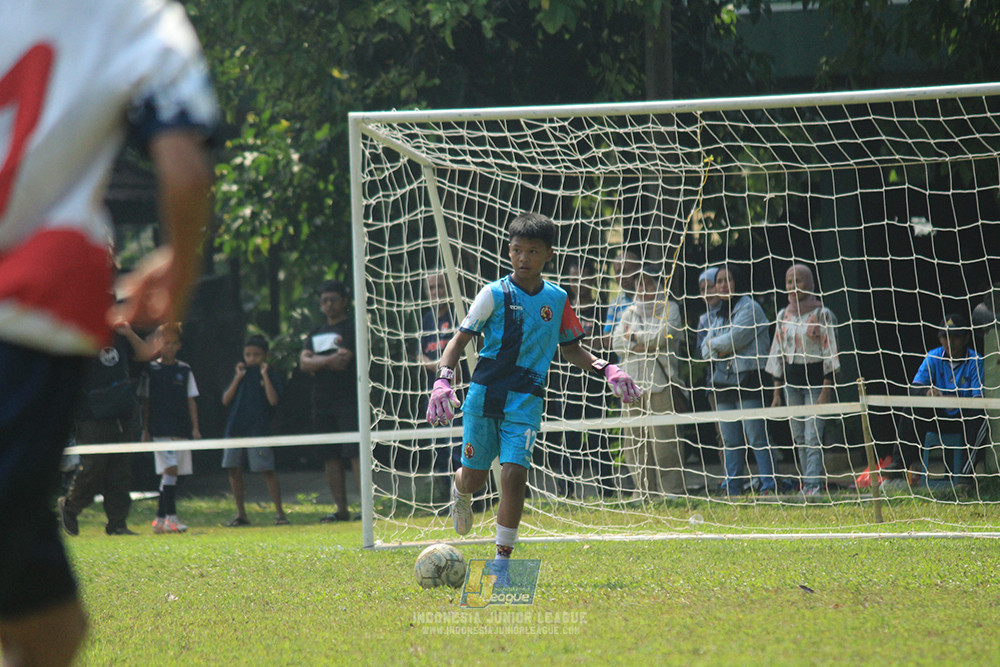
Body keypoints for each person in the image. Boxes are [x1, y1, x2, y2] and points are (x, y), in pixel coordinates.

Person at [0, 0, 217, 662]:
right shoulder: (138, 17)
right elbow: (184, 168)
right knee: (46, 623)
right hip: (32, 308)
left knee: (44, 614)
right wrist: (174, 283)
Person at [426, 212, 640, 570]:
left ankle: (502, 561)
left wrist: (607, 368)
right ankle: (460, 489)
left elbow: (571, 348)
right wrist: (443, 379)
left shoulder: (557, 299)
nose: (523, 258)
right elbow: (458, 339)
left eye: (532, 251)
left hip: (526, 400)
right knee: (476, 478)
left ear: (548, 255)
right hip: (484, 396)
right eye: (516, 250)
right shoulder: (493, 293)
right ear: (509, 252)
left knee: (513, 474)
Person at [59, 320, 158, 539]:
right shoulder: (79, 333)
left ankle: (117, 523)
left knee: (121, 470)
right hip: (92, 414)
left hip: (123, 411)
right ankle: (71, 506)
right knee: (94, 466)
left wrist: (129, 332)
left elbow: (145, 355)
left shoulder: (121, 334)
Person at [700, 264, 777, 495]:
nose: (723, 285)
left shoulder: (750, 308)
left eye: (728, 280)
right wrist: (719, 348)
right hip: (722, 382)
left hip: (748, 380)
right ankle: (733, 488)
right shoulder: (717, 313)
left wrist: (719, 347)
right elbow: (705, 351)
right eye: (719, 281)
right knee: (730, 440)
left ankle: (769, 486)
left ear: (737, 282)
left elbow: (733, 339)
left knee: (756, 436)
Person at [766, 264, 840, 496]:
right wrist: (777, 392)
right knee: (798, 436)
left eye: (799, 280)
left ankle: (813, 485)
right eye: (789, 281)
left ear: (809, 283)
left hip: (816, 384)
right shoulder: (782, 315)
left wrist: (827, 388)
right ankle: (805, 481)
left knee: (812, 435)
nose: (793, 286)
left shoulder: (822, 314)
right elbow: (777, 353)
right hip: (791, 385)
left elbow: (831, 352)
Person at [612, 263, 685, 497]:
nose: (643, 289)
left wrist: (632, 337)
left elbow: (663, 336)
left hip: (660, 383)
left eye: (648, 283)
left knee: (664, 440)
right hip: (630, 384)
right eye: (638, 284)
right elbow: (616, 343)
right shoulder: (628, 312)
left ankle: (671, 490)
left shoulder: (669, 308)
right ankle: (643, 492)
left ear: (658, 285)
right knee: (634, 443)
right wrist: (641, 344)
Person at [547, 258, 617, 498]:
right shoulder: (562, 309)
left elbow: (607, 343)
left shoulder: (601, 309)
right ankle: (566, 492)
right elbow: (557, 345)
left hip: (595, 383)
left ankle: (607, 490)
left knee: (599, 437)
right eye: (574, 276)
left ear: (592, 279)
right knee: (569, 438)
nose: (579, 282)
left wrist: (578, 344)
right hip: (567, 384)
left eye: (584, 276)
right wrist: (578, 343)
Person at [300, 280, 361, 523]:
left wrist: (316, 360)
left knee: (355, 452)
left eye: (333, 299)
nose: (328, 304)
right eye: (324, 300)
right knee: (330, 456)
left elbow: (343, 360)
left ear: (344, 301)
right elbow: (303, 363)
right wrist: (325, 360)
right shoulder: (315, 332)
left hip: (348, 399)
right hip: (321, 400)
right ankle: (341, 510)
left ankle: (365, 509)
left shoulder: (351, 328)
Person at [140, 322, 201, 533]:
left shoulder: (185, 370)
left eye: (174, 343)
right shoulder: (151, 371)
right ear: (158, 343)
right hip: (160, 429)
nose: (170, 347)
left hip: (181, 428)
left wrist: (195, 428)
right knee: (171, 469)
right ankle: (171, 518)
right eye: (166, 343)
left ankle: (159, 519)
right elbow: (146, 402)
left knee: (173, 473)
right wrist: (145, 430)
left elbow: (191, 400)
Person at [222, 335, 289, 526]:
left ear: (266, 355)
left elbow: (273, 400)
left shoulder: (272, 374)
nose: (252, 359)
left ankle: (279, 513)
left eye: (257, 355)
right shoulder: (238, 373)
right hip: (235, 428)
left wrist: (265, 375)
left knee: (267, 469)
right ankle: (241, 514)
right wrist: (237, 377)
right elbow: (225, 400)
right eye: (248, 355)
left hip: (258, 429)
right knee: (233, 469)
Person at [911, 314, 985, 487]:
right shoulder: (933, 356)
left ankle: (965, 477)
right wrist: (927, 392)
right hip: (939, 418)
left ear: (967, 337)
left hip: (963, 420)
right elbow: (914, 387)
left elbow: (978, 399)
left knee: (980, 416)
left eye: (956, 337)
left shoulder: (975, 361)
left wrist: (952, 399)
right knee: (911, 408)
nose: (949, 342)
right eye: (945, 336)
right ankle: (901, 466)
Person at [416, 273, 464, 500]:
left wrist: (447, 367)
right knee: (440, 449)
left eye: (440, 287)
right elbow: (419, 355)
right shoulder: (427, 319)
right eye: (432, 288)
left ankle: (466, 494)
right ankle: (445, 496)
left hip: (460, 393)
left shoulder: (460, 315)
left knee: (460, 447)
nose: (436, 293)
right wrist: (436, 366)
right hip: (435, 395)